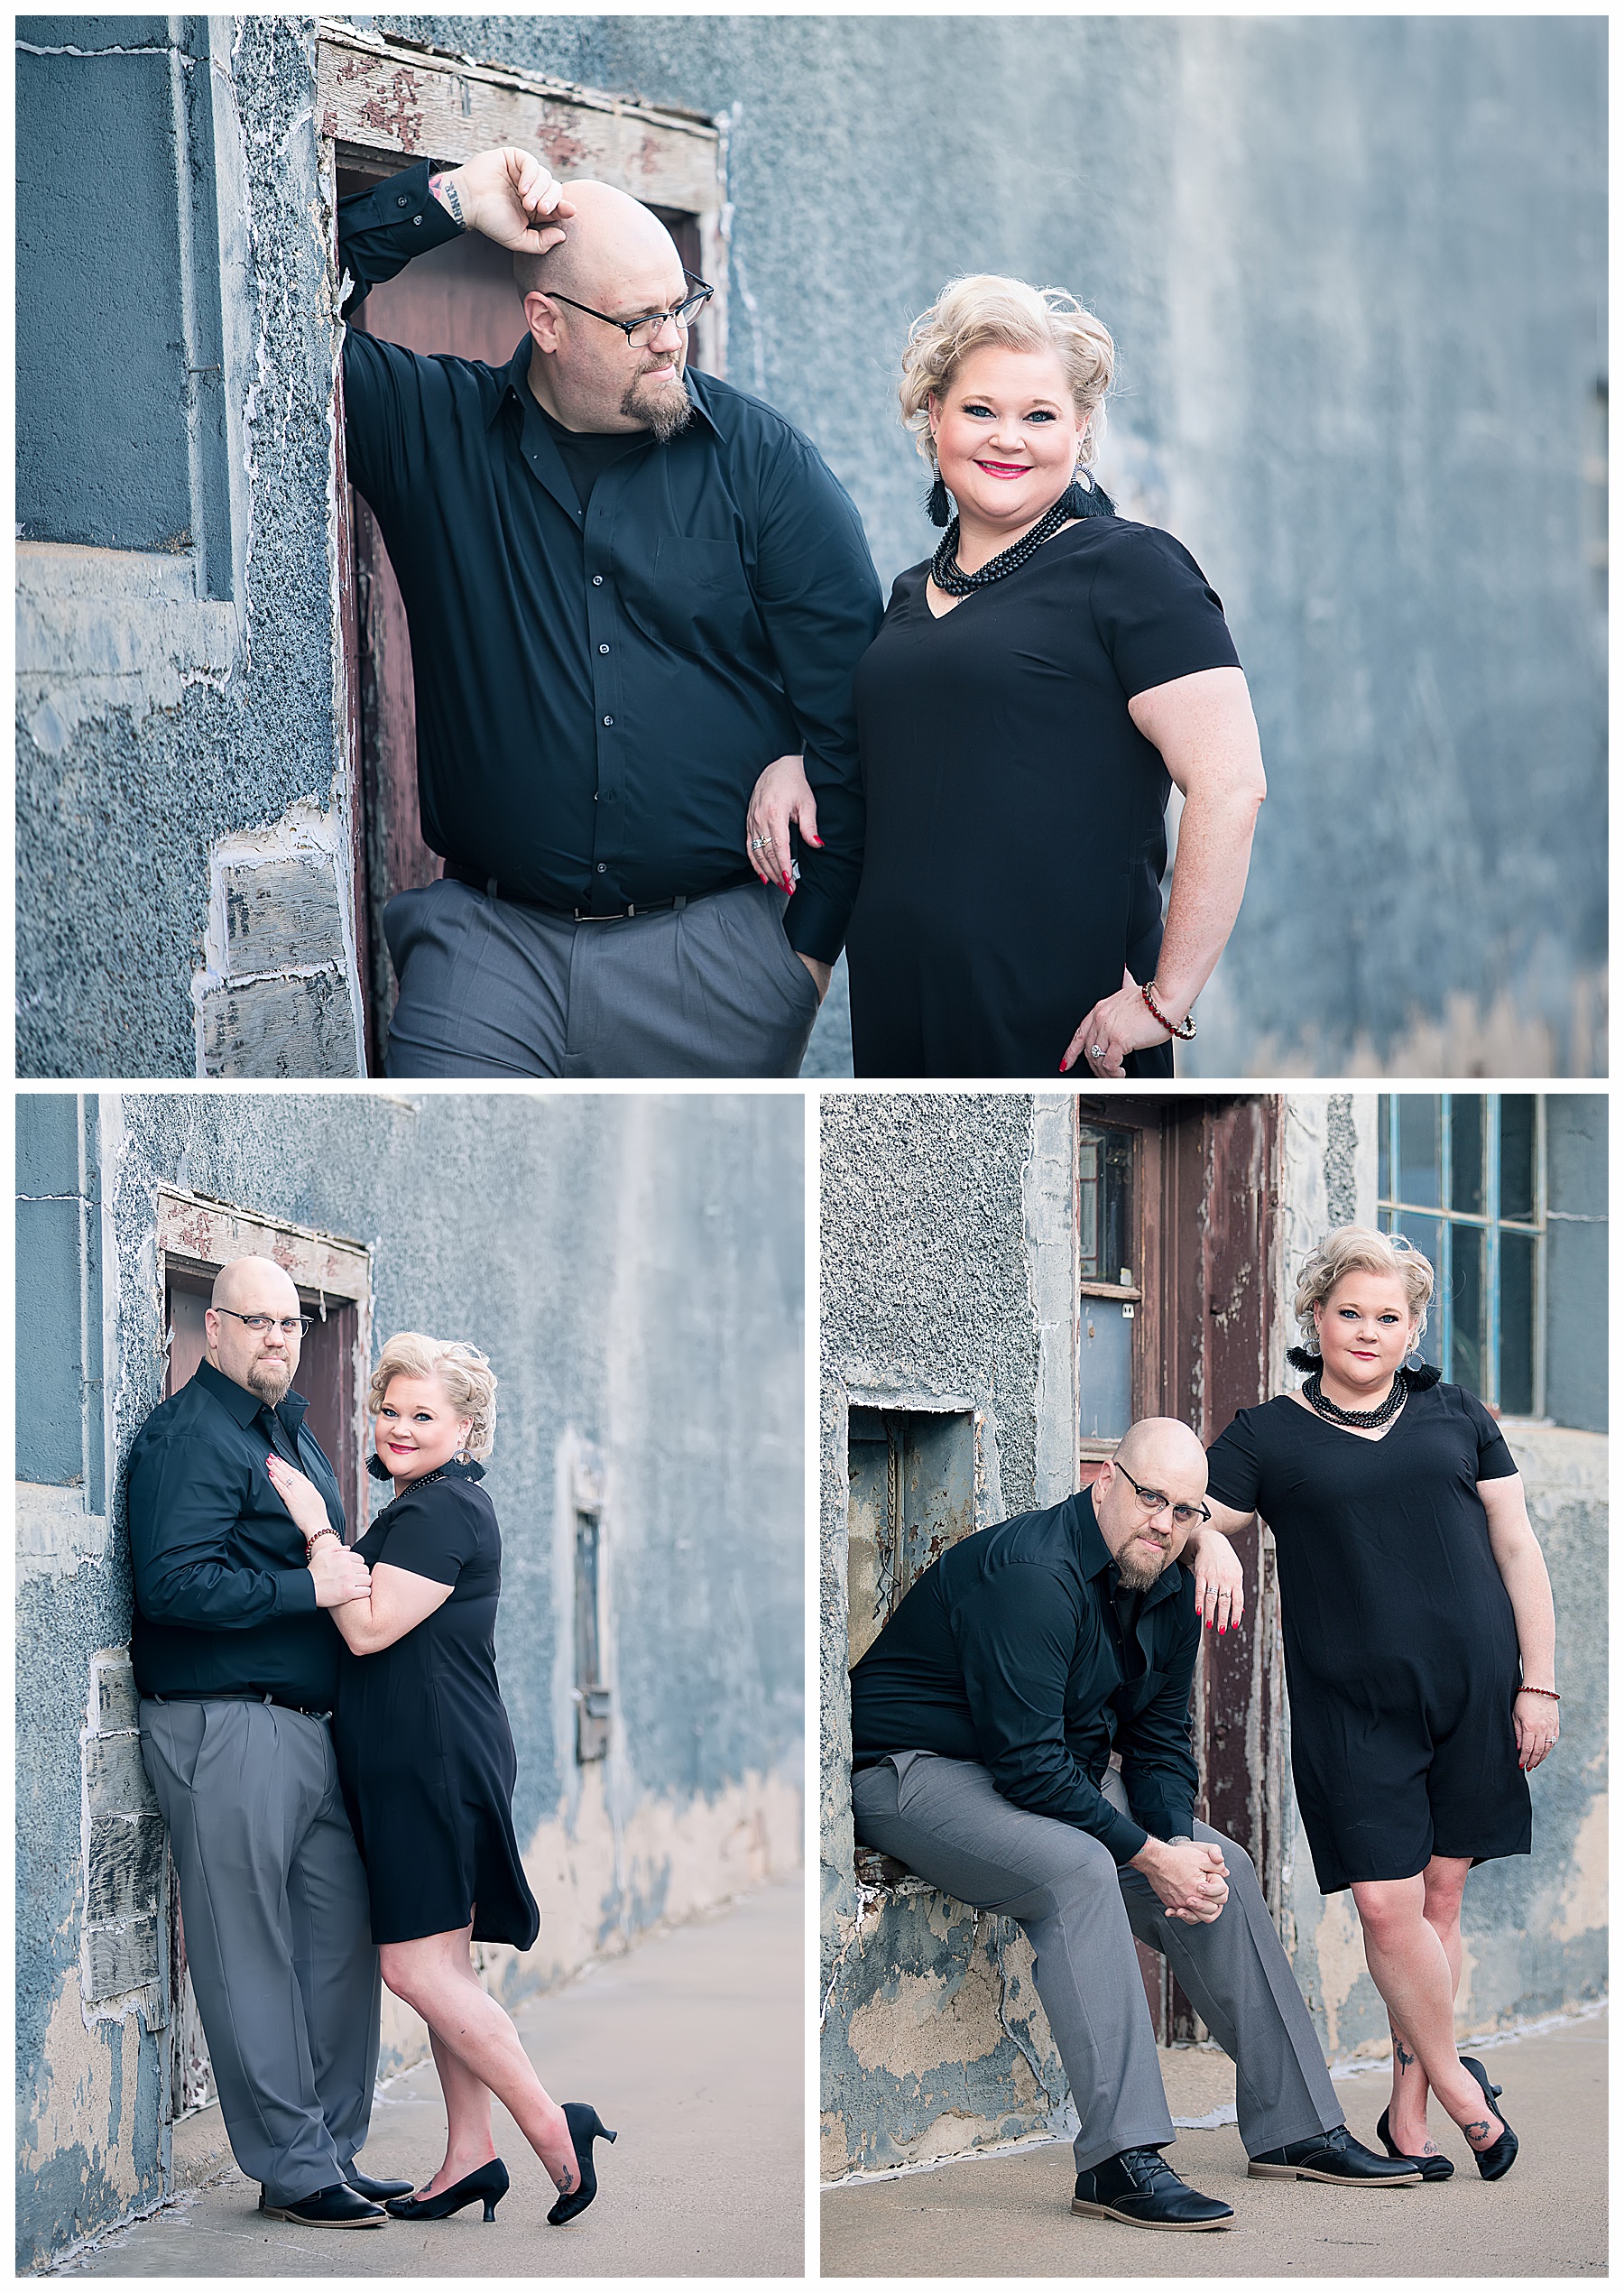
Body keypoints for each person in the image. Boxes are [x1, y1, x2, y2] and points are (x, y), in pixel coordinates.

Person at [336, 147, 882, 1078]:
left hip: (714, 964)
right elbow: (270, 307)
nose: (673, 339)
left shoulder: (762, 462)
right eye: (639, 321)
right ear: (545, 321)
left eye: (682, 305)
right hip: (487, 954)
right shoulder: (431, 430)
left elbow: (866, 701)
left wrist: (802, 958)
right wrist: (451, 202)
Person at [847, 1419, 1419, 2229]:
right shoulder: (1033, 1574)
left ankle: (1299, 2128)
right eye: (1152, 1497)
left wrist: (1176, 1845)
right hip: (911, 1771)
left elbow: (1158, 1741)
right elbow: (1028, 1767)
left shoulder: (1166, 1583)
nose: (1165, 1522)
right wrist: (1149, 1854)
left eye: (1187, 1510)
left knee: (1222, 1861)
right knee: (1077, 1870)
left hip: (1040, 1768)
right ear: (1104, 1481)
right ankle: (1120, 2159)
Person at [746, 275, 1266, 1078]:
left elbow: (1231, 785)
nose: (1008, 438)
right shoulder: (911, 593)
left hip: (1055, 1021)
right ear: (934, 416)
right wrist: (800, 763)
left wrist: (1166, 1000)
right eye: (980, 410)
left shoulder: (1133, 570)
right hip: (899, 1010)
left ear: (1082, 428)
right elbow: (923, 757)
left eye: (1041, 416)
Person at [1202, 1228, 1556, 2183]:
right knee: (1384, 1903)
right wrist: (1207, 1543)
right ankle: (1467, 2097)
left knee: (1441, 1898)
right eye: (1349, 1312)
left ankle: (1408, 2112)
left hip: (1476, 1688)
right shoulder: (1266, 1433)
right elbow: (1190, 1503)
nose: (1367, 1330)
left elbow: (1517, 1548)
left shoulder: (1457, 1416)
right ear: (1315, 1318)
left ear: (1414, 1328)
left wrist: (1540, 1680)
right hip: (1349, 1706)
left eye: (1387, 1316)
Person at [266, 1333, 614, 2227]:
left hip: (429, 1763)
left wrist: (314, 1527)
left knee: (414, 1970)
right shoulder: (429, 1504)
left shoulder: (442, 1511)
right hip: (424, 1756)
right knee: (447, 1967)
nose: (400, 1427)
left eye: (424, 1414)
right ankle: (469, 2154)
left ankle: (551, 2128)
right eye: (390, 1410)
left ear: (466, 1427)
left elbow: (371, 1627)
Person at [128, 1257, 410, 2229]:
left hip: (311, 1729)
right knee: (245, 1950)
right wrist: (313, 1590)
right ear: (215, 1329)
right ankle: (292, 2170)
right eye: (259, 1322)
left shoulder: (289, 1428)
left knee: (338, 1946)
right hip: (224, 1723)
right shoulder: (188, 1438)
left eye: (292, 1323)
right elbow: (172, 1588)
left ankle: (331, 2149)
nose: (280, 1338)